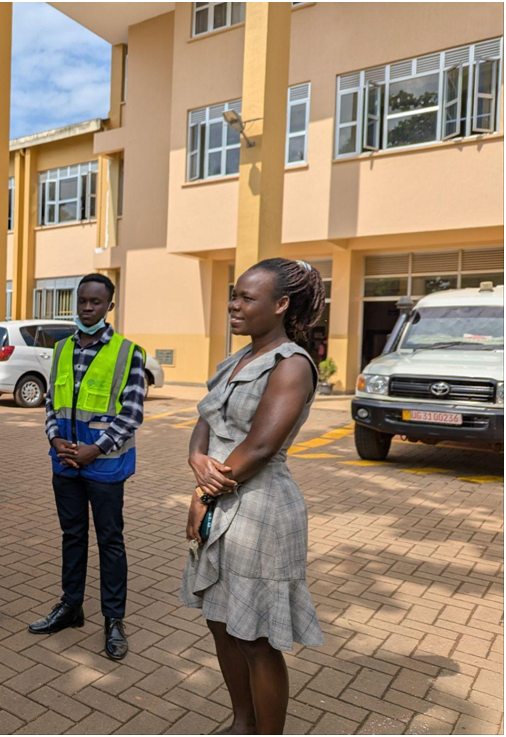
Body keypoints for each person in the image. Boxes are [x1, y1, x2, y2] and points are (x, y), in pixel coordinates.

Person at [180, 258, 327, 737]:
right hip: (222, 495)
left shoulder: (292, 364)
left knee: (257, 638)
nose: (233, 305)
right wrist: (196, 457)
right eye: (234, 295)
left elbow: (262, 446)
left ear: (281, 305)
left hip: (260, 511)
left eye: (246, 298)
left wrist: (203, 493)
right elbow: (207, 418)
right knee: (221, 622)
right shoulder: (238, 359)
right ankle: (242, 722)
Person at [29, 274, 145, 661]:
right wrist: (53, 438)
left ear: (109, 306)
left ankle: (114, 619)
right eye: (82, 300)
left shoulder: (130, 353)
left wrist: (94, 450)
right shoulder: (62, 348)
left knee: (110, 542)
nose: (87, 307)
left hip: (105, 466)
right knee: (72, 537)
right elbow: (50, 403)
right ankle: (71, 606)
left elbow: (131, 415)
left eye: (96, 302)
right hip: (65, 464)